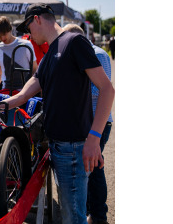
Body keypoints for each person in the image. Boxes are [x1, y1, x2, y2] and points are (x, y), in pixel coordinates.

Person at [1, 4, 114, 224]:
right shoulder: (51, 50)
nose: (29, 33)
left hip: (72, 147)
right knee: (69, 214)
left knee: (73, 217)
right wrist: (4, 104)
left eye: (28, 26)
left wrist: (94, 137)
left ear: (38, 19)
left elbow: (107, 89)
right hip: (60, 146)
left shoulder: (74, 42)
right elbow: (32, 85)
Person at [63, 24, 113, 224]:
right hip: (99, 121)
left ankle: (98, 215)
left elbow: (96, 91)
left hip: (95, 122)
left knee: (92, 170)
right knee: (93, 169)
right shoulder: (99, 52)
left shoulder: (94, 55)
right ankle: (95, 213)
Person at [0, 16, 37, 97]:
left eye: (4, 34)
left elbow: (34, 69)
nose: (2, 38)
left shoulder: (26, 44)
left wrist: (32, 91)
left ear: (10, 29)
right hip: (7, 92)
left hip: (25, 92)